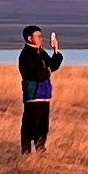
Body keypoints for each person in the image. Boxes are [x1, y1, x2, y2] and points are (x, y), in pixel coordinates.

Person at [16, 24, 64, 154]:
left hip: (44, 94)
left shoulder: (41, 52)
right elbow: (36, 74)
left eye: (41, 35)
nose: (41, 38)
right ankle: (26, 152)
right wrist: (47, 71)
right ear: (29, 38)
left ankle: (40, 150)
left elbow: (52, 66)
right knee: (30, 125)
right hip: (33, 94)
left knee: (43, 127)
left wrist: (56, 51)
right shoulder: (26, 55)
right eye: (38, 36)